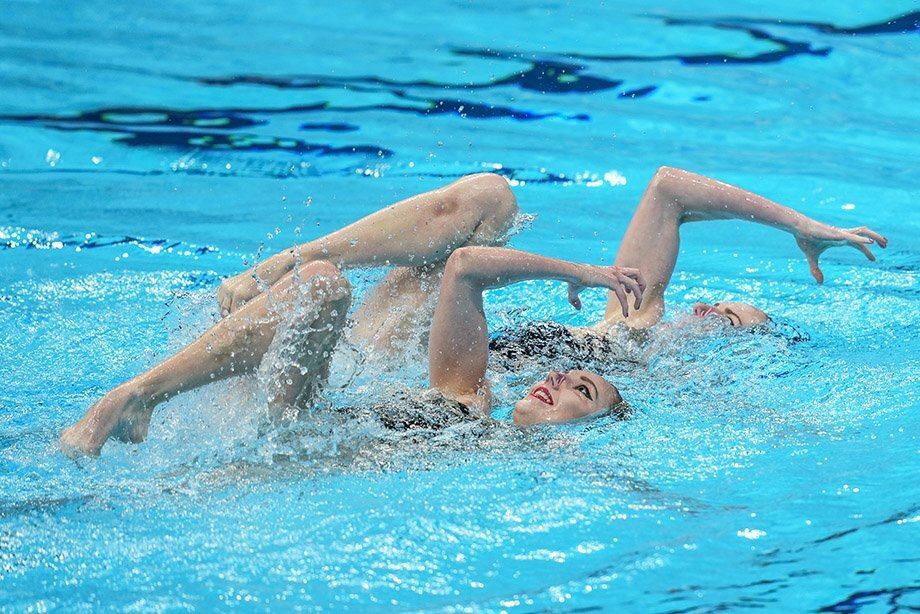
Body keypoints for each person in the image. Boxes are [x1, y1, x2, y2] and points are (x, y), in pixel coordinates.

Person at [58, 168, 886, 457]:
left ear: (731, 352)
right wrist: (801, 226)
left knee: (327, 298)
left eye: (734, 318)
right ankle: (265, 276)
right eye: (728, 297)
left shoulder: (638, 374)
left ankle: (241, 323)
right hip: (421, 362)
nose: (717, 303)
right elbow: (670, 186)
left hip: (402, 383)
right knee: (489, 199)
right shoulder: (628, 314)